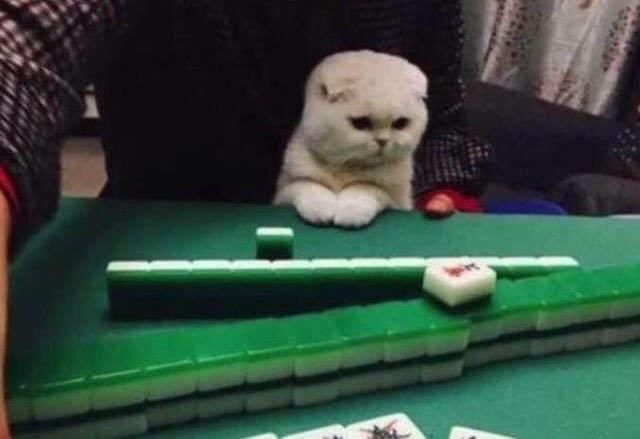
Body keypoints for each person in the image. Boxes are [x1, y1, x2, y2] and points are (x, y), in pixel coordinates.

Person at [0, 0, 494, 434]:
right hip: (161, 221)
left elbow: (442, 108)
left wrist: (442, 186)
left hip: (375, 224)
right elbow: (21, 50)